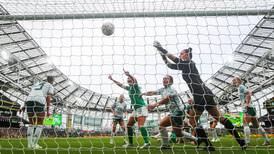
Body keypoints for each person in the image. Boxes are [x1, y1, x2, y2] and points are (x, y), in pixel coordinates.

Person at [153, 41, 246, 151]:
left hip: (200, 95)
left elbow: (174, 60)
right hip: (206, 93)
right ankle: (241, 142)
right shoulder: (186, 65)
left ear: (187, 54)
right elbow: (170, 65)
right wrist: (161, 53)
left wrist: (161, 48)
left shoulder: (189, 63)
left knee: (192, 121)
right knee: (220, 118)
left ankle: (208, 144)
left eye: (182, 53)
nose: (180, 55)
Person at [141, 75, 197, 149]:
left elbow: (167, 99)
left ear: (170, 81)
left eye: (166, 79)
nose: (164, 80)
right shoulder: (162, 90)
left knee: (172, 130)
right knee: (169, 129)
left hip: (178, 112)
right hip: (173, 112)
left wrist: (155, 105)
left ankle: (197, 140)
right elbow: (153, 92)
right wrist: (143, 93)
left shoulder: (172, 90)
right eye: (163, 78)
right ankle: (166, 145)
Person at [108, 69, 150, 148]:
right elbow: (120, 85)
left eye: (130, 79)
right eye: (128, 80)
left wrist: (129, 75)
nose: (129, 80)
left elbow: (135, 81)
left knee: (141, 126)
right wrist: (112, 79)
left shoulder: (135, 87)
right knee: (129, 125)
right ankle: (130, 144)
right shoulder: (129, 88)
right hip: (135, 109)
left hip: (141, 108)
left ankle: (147, 143)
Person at [232, 77, 270, 146]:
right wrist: (245, 102)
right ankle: (267, 140)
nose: (232, 81)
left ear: (237, 81)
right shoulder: (241, 87)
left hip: (247, 108)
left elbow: (249, 93)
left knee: (245, 124)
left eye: (233, 80)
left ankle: (247, 142)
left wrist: (247, 103)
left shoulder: (241, 86)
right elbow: (247, 94)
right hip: (252, 108)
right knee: (257, 126)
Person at [21, 76, 54, 149]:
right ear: (52, 81)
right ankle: (34, 144)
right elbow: (48, 98)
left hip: (29, 101)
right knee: (40, 124)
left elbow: (29, 95)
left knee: (31, 123)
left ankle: (29, 145)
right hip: (39, 101)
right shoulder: (50, 85)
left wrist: (23, 106)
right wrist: (48, 111)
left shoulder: (37, 84)